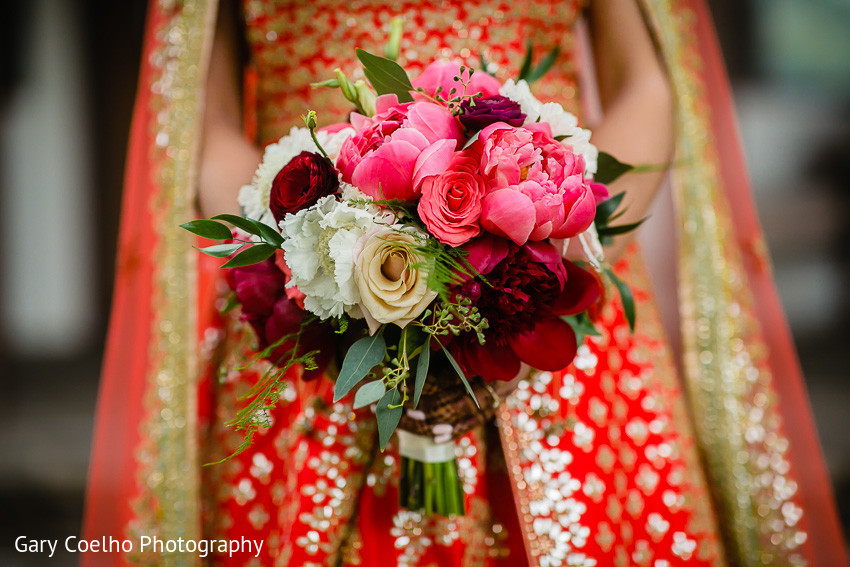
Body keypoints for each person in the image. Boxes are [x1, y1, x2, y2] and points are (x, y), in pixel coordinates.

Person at [84, 0, 847, 565]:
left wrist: (557, 241)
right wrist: (308, 261)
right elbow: (204, 121)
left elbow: (645, 85)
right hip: (315, 313)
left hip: (548, 305)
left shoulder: (553, 261)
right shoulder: (311, 276)